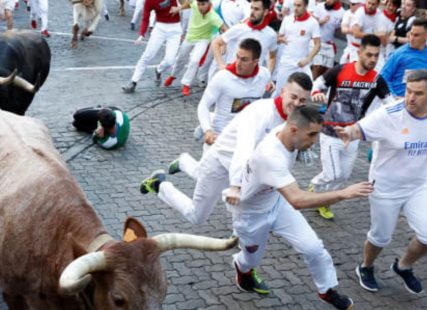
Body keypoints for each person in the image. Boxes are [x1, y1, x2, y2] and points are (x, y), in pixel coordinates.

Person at [225, 106, 372, 308]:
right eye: (311, 135)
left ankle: (326, 290)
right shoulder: (270, 155)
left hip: (277, 202)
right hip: (250, 215)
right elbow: (297, 200)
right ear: (293, 129)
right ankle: (242, 269)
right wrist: (343, 193)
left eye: (317, 135)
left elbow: (290, 196)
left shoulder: (288, 135)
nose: (314, 141)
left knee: (314, 248)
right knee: (250, 260)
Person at [335, 69, 427, 295]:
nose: (410, 97)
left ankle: (403, 266)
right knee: (380, 238)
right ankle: (366, 267)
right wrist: (348, 133)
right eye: (408, 91)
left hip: (418, 186)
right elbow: (358, 129)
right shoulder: (390, 113)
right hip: (385, 188)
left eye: (418, 93)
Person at [139, 74, 311, 229]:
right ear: (283, 92)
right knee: (196, 216)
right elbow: (244, 148)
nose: (296, 104)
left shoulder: (295, 120)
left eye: (302, 101)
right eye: (293, 97)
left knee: (208, 180)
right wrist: (235, 185)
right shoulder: (261, 112)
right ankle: (159, 184)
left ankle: (183, 161)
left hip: (241, 170)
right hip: (221, 161)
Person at [308, 34, 392, 220]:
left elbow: (389, 105)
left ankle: (323, 197)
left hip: (353, 135)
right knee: (333, 173)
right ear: (359, 52)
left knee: (343, 176)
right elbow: (319, 83)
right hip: (330, 132)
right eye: (369, 54)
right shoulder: (341, 70)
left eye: (376, 55)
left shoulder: (377, 79)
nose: (372, 59)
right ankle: (317, 190)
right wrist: (316, 93)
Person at [163, 0, 227, 96]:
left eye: (203, 4)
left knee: (195, 60)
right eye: (199, 4)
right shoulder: (195, 5)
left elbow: (225, 29)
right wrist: (178, 8)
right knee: (181, 58)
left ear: (209, 4)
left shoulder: (214, 16)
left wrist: (224, 43)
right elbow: (188, 4)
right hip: (189, 37)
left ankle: (186, 83)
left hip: (203, 40)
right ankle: (173, 75)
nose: (200, 7)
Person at [210, 0, 277, 89]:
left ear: (265, 12)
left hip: (253, 83)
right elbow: (216, 43)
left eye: (256, 9)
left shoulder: (271, 34)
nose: (252, 12)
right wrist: (221, 65)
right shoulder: (239, 28)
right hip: (232, 78)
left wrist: (267, 77)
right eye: (251, 8)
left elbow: (272, 56)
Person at [122, 0, 182, 93]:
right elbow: (145, 18)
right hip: (160, 29)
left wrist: (179, 7)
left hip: (175, 29)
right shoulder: (149, 1)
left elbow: (190, 2)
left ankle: (159, 69)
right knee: (146, 56)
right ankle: (133, 82)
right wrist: (141, 34)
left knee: (170, 61)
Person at [380, 18, 427, 98]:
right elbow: (383, 78)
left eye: (416, 35)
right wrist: (393, 97)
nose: (411, 38)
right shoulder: (398, 53)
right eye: (411, 34)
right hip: (399, 101)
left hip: (422, 102)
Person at [274, 0, 320, 95]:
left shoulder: (313, 23)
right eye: (294, 5)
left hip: (302, 63)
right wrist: (279, 39)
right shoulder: (287, 19)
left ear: (306, 6)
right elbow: (279, 37)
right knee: (280, 91)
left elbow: (318, 44)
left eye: (299, 5)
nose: (295, 8)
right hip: (286, 62)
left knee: (306, 91)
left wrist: (308, 59)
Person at [310, 0, 345, 79]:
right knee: (317, 67)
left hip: (329, 44)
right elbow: (311, 21)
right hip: (317, 42)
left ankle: (321, 89)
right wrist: (320, 21)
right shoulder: (320, 7)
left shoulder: (342, 13)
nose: (327, 1)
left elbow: (339, 29)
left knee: (327, 71)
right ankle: (312, 87)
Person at [339, 0, 364, 64]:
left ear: (361, 5)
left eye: (353, 4)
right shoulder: (348, 13)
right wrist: (354, 30)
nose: (350, 5)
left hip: (364, 51)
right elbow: (343, 29)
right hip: (350, 48)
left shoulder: (366, 16)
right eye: (350, 3)